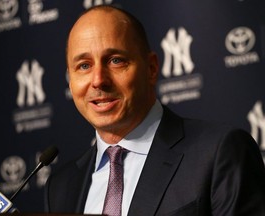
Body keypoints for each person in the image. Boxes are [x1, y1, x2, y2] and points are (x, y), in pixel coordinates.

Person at [45, 5, 265, 216]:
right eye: (84, 65)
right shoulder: (61, 186)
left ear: (151, 68)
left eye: (115, 61)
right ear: (70, 79)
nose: (98, 80)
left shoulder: (219, 153)